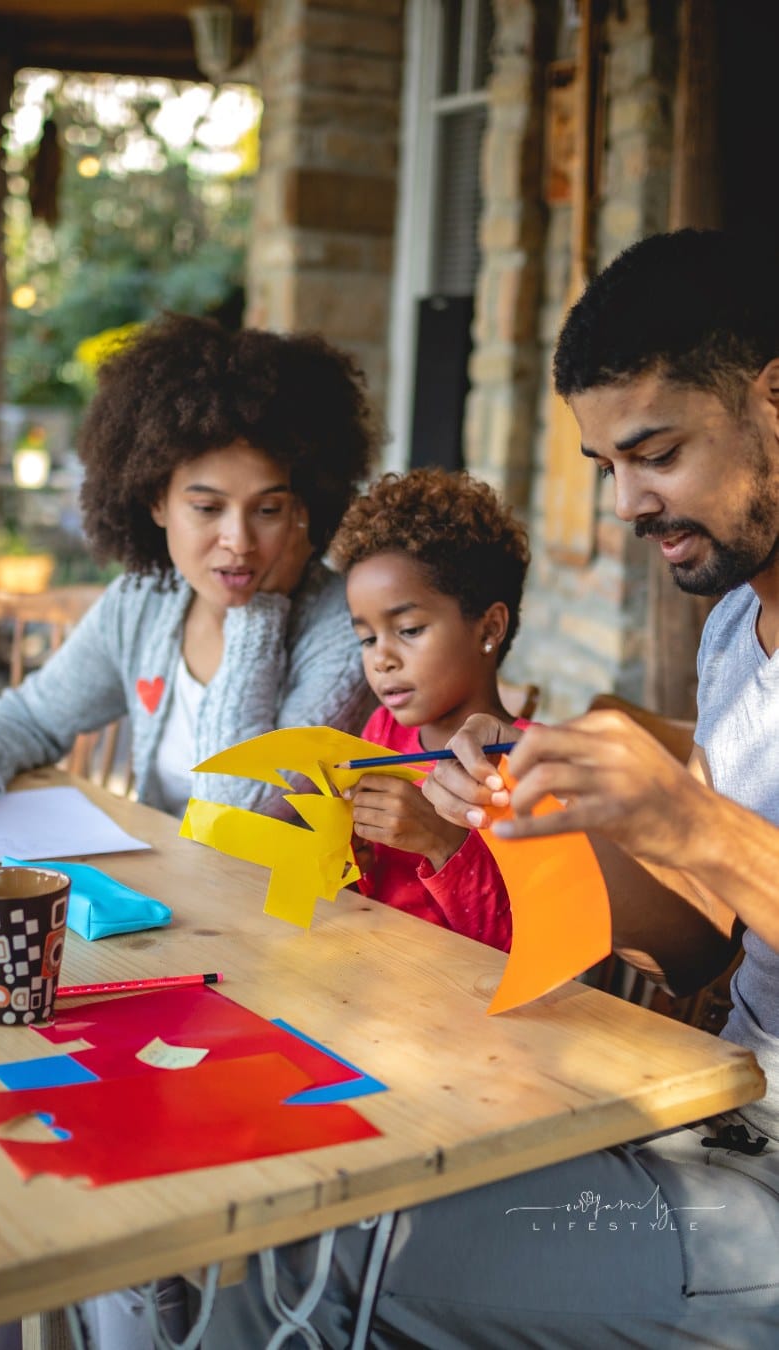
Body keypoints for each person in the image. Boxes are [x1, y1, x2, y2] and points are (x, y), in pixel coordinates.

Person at [165, 230, 779, 1347]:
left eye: (658, 452)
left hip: (757, 1199)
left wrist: (692, 819)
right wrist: (553, 827)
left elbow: (720, 856)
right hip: (711, 1108)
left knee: (280, 1230)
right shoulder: (736, 626)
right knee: (223, 1169)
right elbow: (698, 948)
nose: (628, 505)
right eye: (607, 469)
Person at [0, 313, 379, 830]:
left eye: (267, 510)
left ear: (303, 508)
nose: (239, 541)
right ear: (156, 503)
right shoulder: (146, 598)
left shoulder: (346, 634)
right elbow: (33, 716)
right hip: (157, 890)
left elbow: (236, 820)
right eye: (208, 509)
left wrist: (260, 614)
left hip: (266, 907)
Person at [328, 466, 529, 949]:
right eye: (367, 638)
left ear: (489, 628)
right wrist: (351, 857)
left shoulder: (530, 762)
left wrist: (443, 842)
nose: (381, 658)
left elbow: (523, 948)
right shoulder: (381, 733)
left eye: (410, 629)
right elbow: (371, 901)